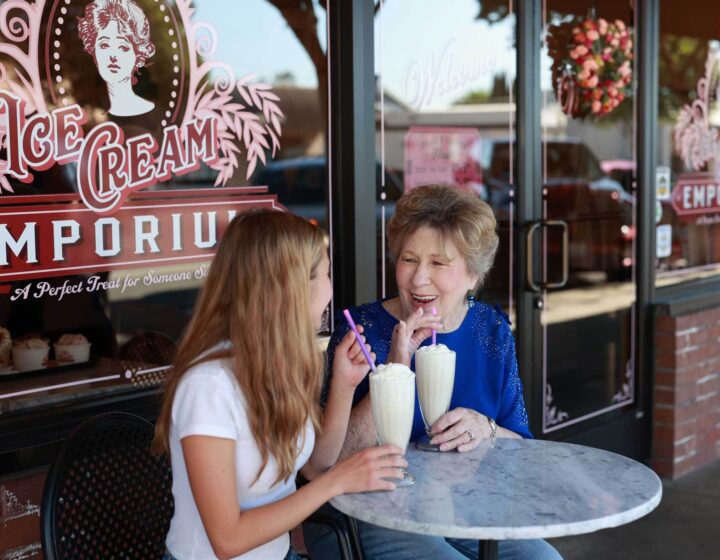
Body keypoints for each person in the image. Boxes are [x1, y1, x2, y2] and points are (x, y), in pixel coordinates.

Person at [304, 185, 562, 560]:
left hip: (462, 505)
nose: (418, 279)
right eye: (409, 260)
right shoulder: (361, 330)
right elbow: (329, 461)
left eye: (439, 264)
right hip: (369, 510)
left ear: (474, 275)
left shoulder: (491, 330)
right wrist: (397, 363)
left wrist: (485, 427)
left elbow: (520, 444)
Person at [152, 209, 406, 560]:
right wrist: (337, 482)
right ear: (291, 289)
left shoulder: (274, 365)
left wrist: (345, 385)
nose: (331, 291)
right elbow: (227, 540)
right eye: (327, 274)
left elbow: (316, 465)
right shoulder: (209, 387)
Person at [78, 0, 156, 116]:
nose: (113, 56)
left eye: (123, 47)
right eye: (104, 45)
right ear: (93, 49)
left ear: (137, 54)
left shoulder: (150, 116)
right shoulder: (94, 114)